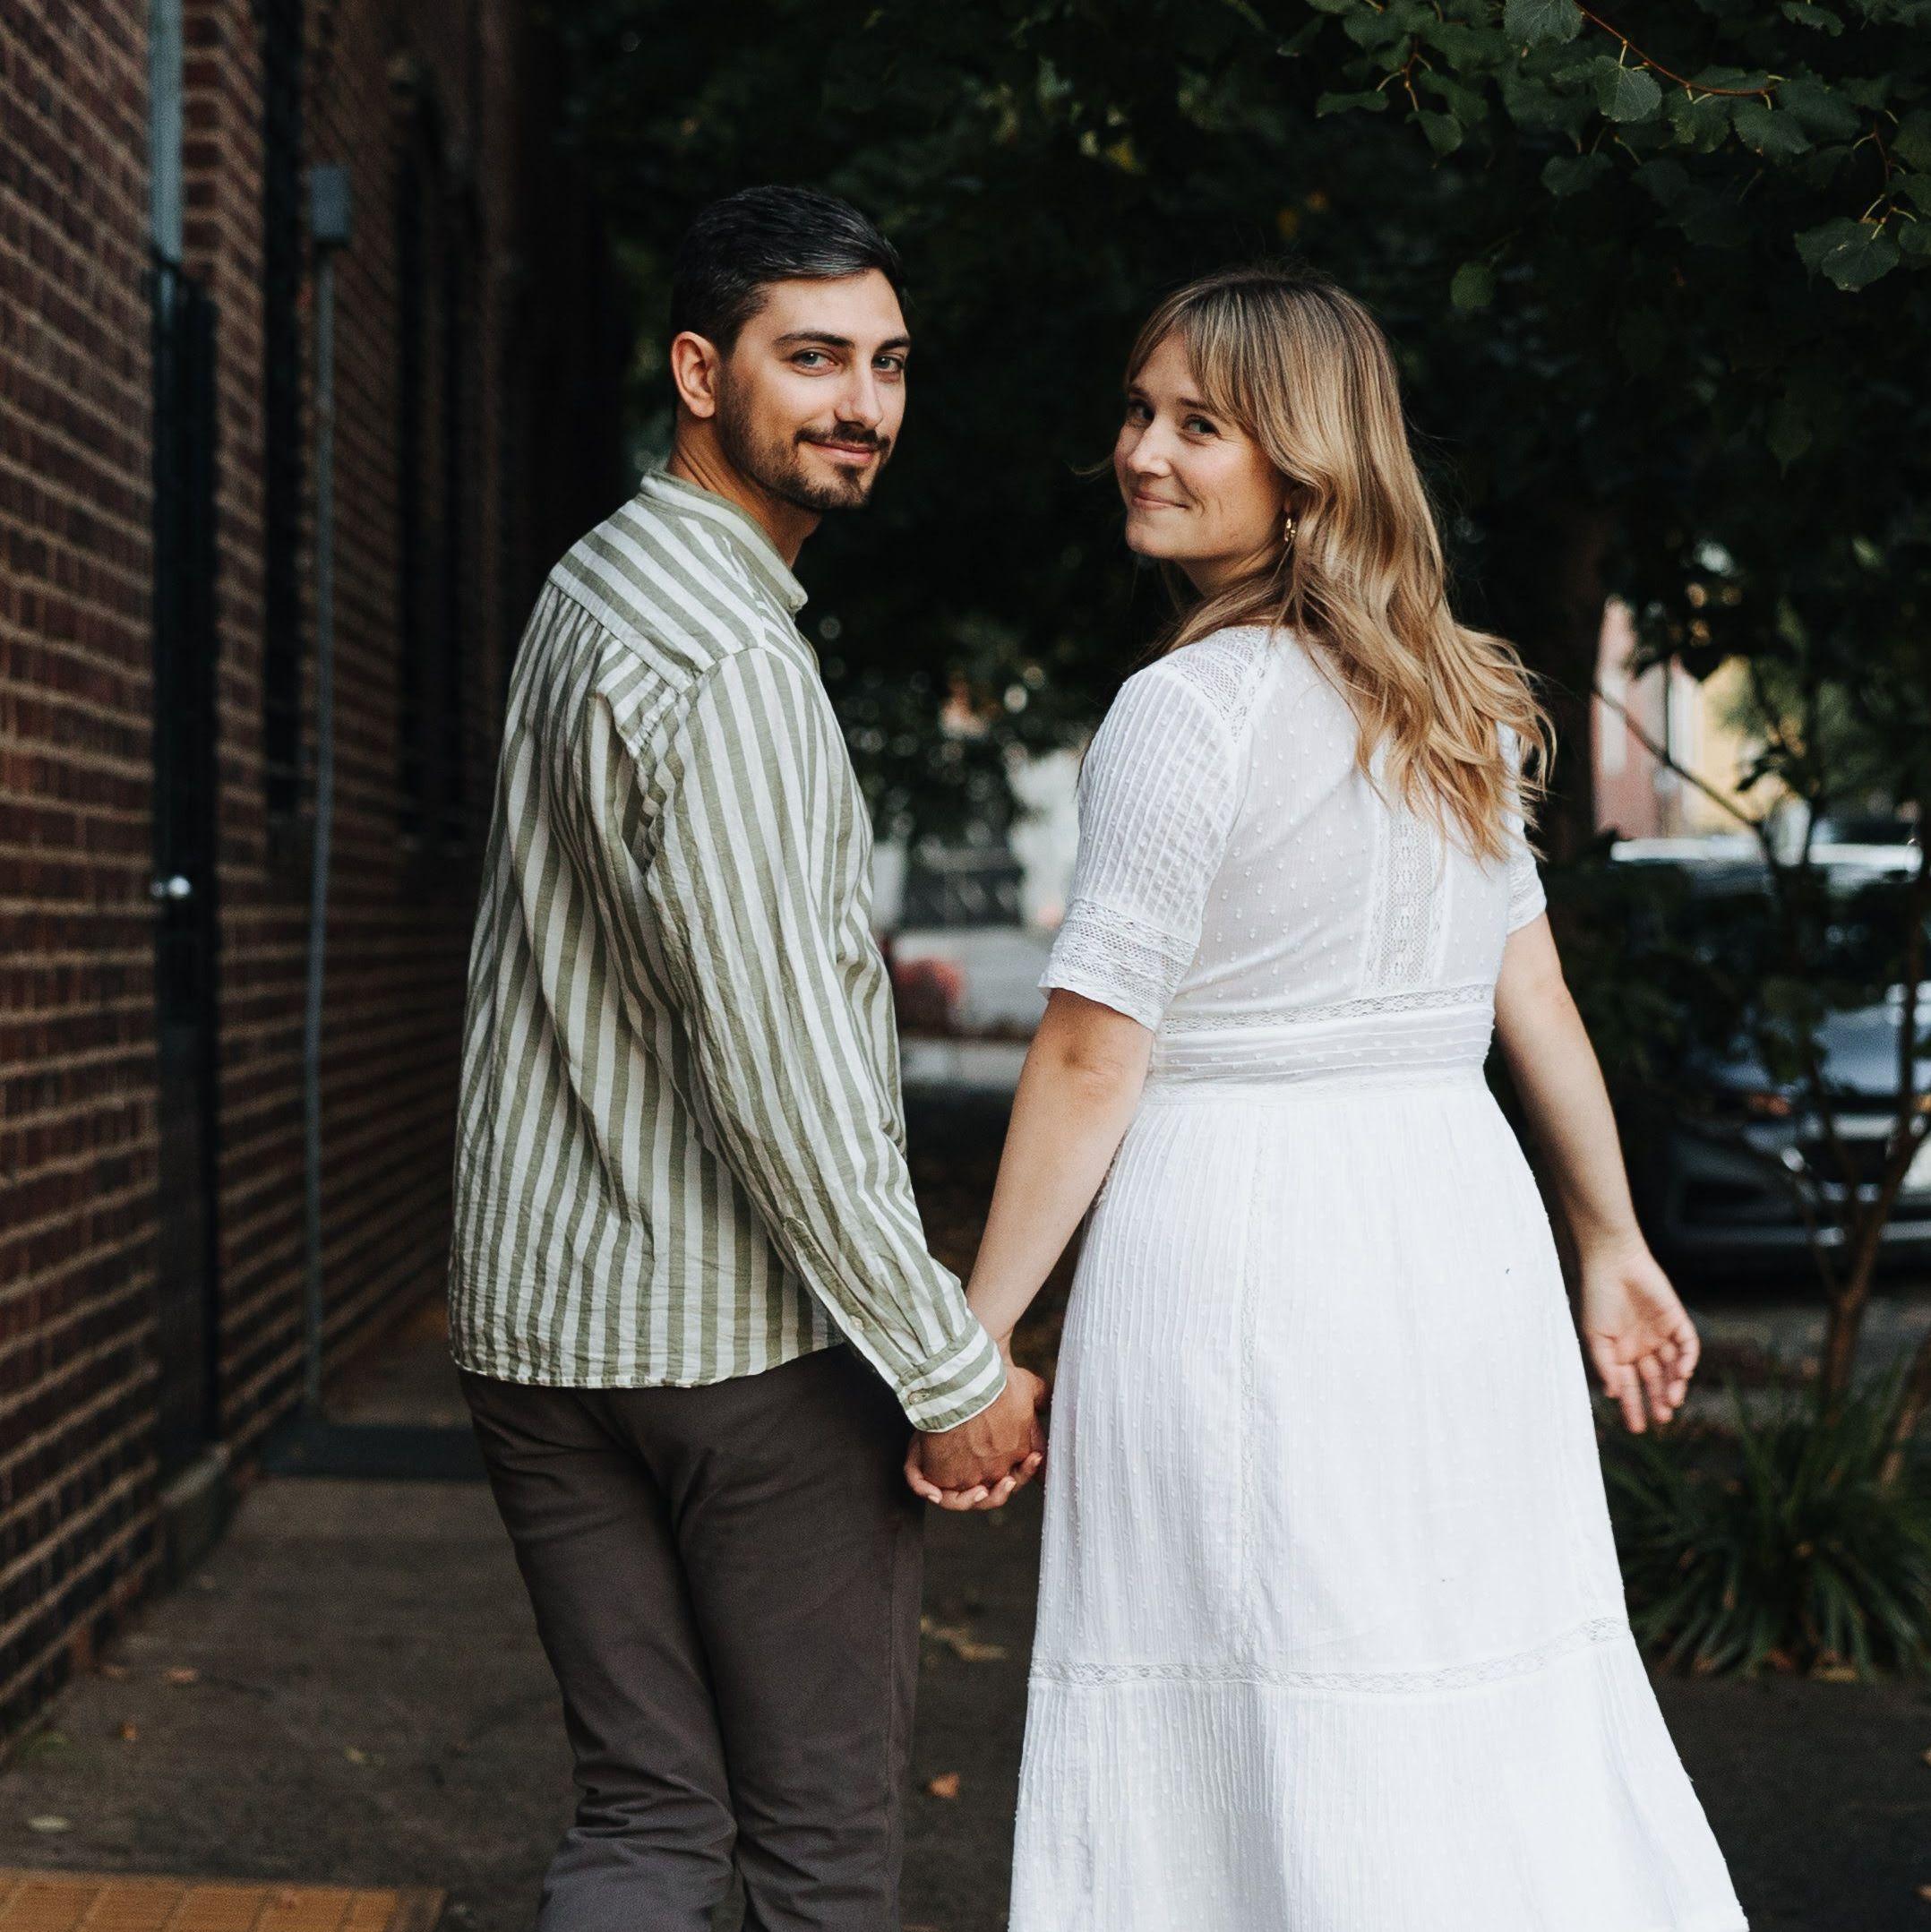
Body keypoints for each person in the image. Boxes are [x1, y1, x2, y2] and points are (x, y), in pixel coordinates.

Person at [906, 262, 1750, 1931]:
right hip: (1459, 1240)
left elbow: (1090, 1052)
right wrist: (1606, 1238)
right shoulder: (1460, 699)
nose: (1143, 451)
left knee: (1248, 1698)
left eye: (1198, 425)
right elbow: (1535, 999)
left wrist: (972, 1341)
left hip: (1246, 1248)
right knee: (1466, 1696)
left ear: (1305, 466)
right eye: (1139, 411)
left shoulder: (1184, 711)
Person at [446, 184, 1044, 1932]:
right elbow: (781, 1075)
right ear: (702, 371)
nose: (862, 403)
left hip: (540, 1330)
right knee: (817, 1856)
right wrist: (946, 1367)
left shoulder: (596, 580)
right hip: (735, 1353)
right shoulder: (732, 668)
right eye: (814, 358)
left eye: (888, 363)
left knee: (642, 1820)